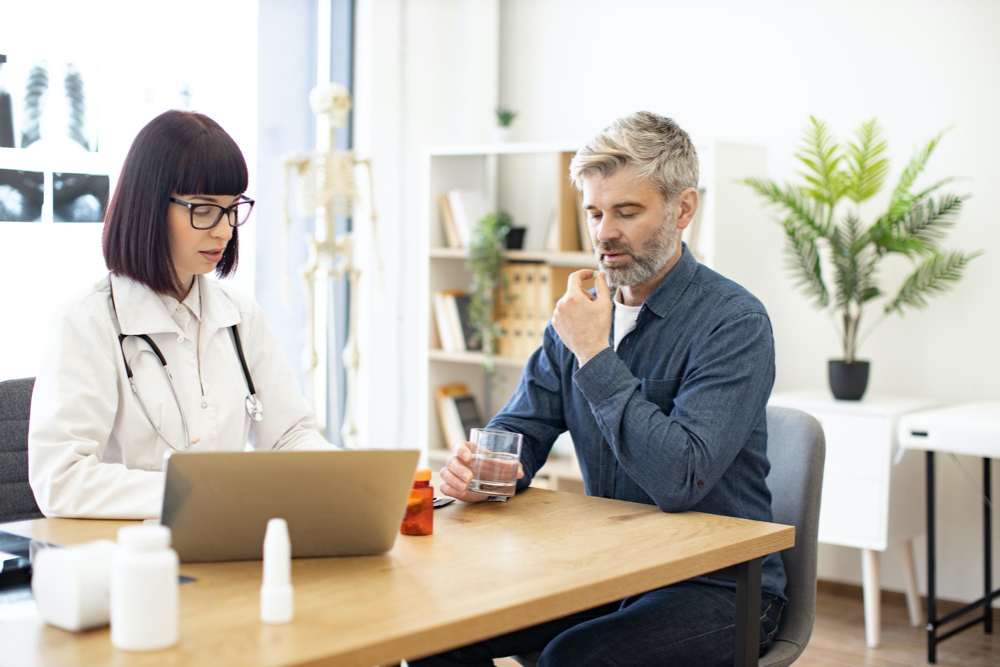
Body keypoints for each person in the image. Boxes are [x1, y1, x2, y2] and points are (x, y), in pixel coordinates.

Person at [422, 112, 785, 666]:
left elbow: (680, 480)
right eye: (594, 212)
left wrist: (595, 354)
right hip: (609, 570)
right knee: (438, 631)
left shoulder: (734, 322)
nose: (603, 232)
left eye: (627, 211)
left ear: (684, 209)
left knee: (575, 660)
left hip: (719, 586)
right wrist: (484, 467)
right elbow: (525, 426)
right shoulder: (578, 315)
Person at [28, 110, 332, 520]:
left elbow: (290, 435)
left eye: (231, 209)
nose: (224, 231)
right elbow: (62, 479)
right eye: (204, 210)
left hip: (225, 541)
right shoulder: (88, 321)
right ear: (150, 206)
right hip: (130, 559)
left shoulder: (241, 317)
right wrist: (206, 492)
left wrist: (352, 481)